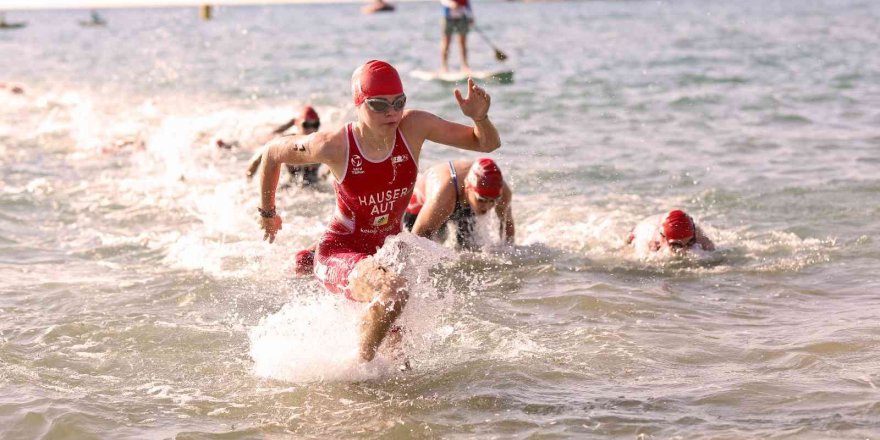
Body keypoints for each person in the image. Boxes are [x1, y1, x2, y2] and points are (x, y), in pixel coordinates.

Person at [257, 60, 500, 363]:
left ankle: (369, 379)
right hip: (338, 252)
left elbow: (487, 143)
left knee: (402, 368)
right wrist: (268, 213)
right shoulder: (333, 145)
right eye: (379, 104)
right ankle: (360, 371)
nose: (392, 113)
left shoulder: (414, 127)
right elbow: (271, 153)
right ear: (358, 103)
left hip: (385, 253)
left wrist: (481, 118)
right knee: (393, 292)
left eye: (399, 102)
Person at [403, 158, 513, 250]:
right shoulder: (444, 194)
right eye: (482, 200)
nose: (488, 207)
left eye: (493, 200)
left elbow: (507, 227)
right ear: (468, 187)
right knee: (432, 241)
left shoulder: (502, 192)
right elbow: (417, 237)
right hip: (418, 210)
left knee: (469, 249)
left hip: (466, 202)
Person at [244, 105, 323, 187]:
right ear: (297, 124)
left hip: (314, 188)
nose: (311, 129)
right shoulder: (285, 142)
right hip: (291, 188)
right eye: (306, 125)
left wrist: (325, 176)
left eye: (315, 124)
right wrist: (248, 183)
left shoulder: (322, 144)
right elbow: (256, 160)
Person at [626, 209, 715, 254]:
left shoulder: (696, 233)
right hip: (645, 226)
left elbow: (713, 253)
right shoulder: (648, 240)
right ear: (663, 237)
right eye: (676, 245)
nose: (684, 250)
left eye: (690, 242)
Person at [440, 0, 474, 73]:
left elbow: (467, 4)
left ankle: (465, 66)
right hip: (448, 17)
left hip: (462, 17)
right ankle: (444, 67)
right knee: (446, 43)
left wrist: (470, 16)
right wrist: (450, 3)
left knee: (463, 43)